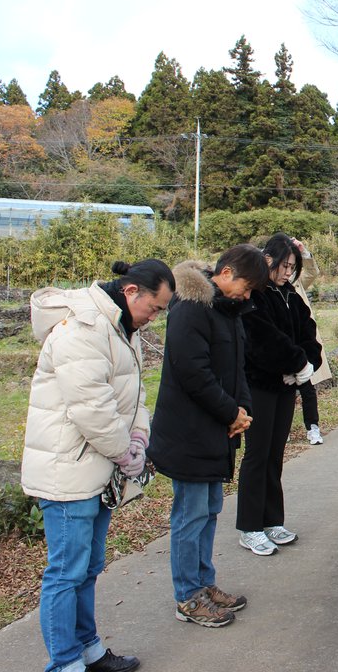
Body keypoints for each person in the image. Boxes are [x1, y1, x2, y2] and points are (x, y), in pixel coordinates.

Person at [22, 259, 175, 672]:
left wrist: (140, 438)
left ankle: (88, 651)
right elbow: (92, 410)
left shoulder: (123, 329)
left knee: (88, 568)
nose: (155, 317)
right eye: (155, 307)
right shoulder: (84, 328)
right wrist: (127, 455)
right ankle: (64, 663)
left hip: (99, 468)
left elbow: (134, 396)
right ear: (131, 293)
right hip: (68, 471)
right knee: (65, 573)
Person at [146, 245, 268, 628]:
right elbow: (192, 372)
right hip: (189, 432)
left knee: (210, 510)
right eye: (247, 287)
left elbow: (237, 368)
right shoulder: (190, 307)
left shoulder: (227, 311)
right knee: (190, 514)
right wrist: (229, 412)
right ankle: (187, 596)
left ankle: (204, 582)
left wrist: (241, 411)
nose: (247, 297)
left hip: (216, 428)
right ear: (227, 272)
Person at [236, 233, 317, 556]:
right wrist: (296, 363)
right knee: (257, 455)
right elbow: (261, 340)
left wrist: (307, 362)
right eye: (284, 266)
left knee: (275, 453)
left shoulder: (291, 297)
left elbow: (308, 335)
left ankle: (272, 520)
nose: (287, 273)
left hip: (285, 386)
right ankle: (249, 526)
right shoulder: (256, 296)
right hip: (260, 385)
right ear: (268, 260)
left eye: (292, 267)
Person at [294, 239, 332, 444]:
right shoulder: (267, 282)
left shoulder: (296, 280)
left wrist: (304, 252)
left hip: (301, 341)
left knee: (307, 387)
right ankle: (281, 429)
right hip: (279, 343)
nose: (287, 269)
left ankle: (313, 427)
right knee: (281, 391)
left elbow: (312, 273)